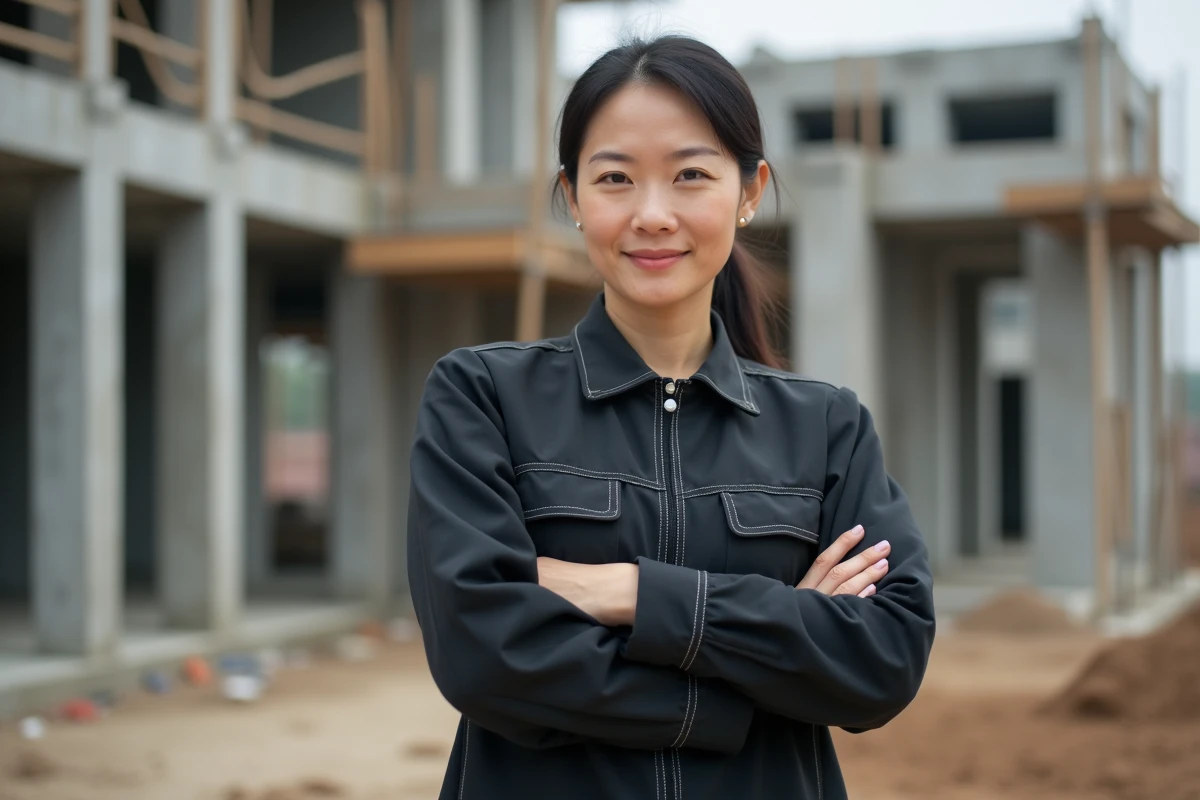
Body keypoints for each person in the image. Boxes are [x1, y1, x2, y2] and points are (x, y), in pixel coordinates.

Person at [407, 35, 936, 800]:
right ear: (572, 198)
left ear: (749, 191)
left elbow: (884, 659)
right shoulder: (481, 396)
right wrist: (767, 658)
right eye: (615, 178)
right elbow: (482, 655)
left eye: (690, 175)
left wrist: (630, 593)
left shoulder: (826, 427)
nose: (653, 215)